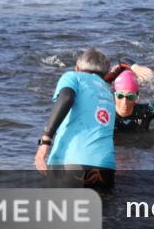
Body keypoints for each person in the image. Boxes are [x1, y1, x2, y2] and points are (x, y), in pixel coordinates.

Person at [34, 48, 121, 190]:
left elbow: (66, 97)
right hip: (105, 167)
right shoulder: (108, 91)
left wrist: (45, 142)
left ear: (77, 68)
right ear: (105, 73)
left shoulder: (73, 76)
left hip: (70, 163)